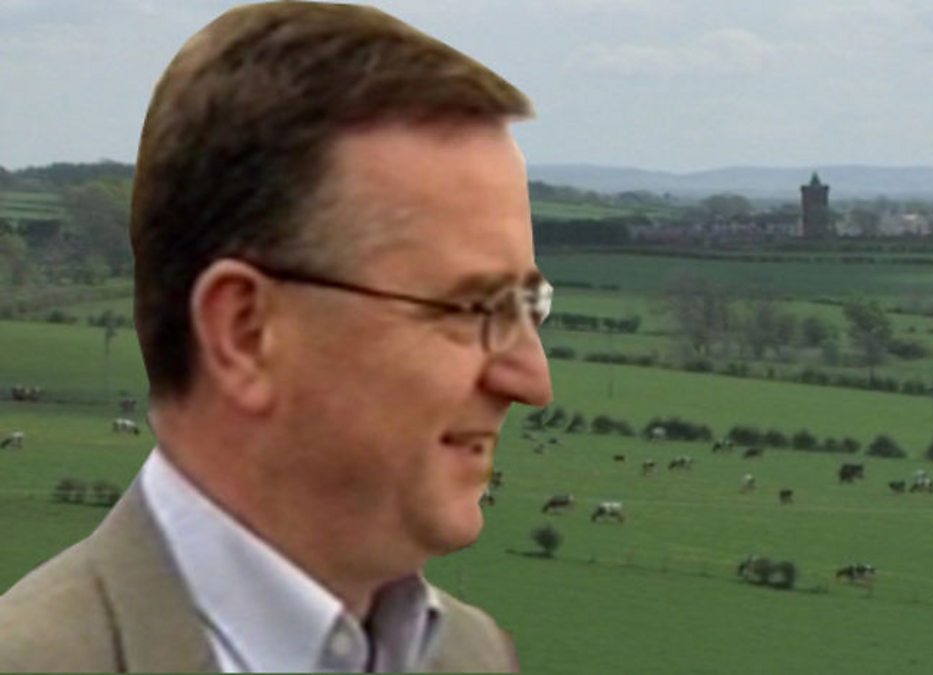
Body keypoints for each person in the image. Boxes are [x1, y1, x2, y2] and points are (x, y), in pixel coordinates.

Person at [0, 2, 553, 671]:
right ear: (245, 333)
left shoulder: (471, 654)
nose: (533, 380)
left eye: (529, 306)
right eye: (467, 308)